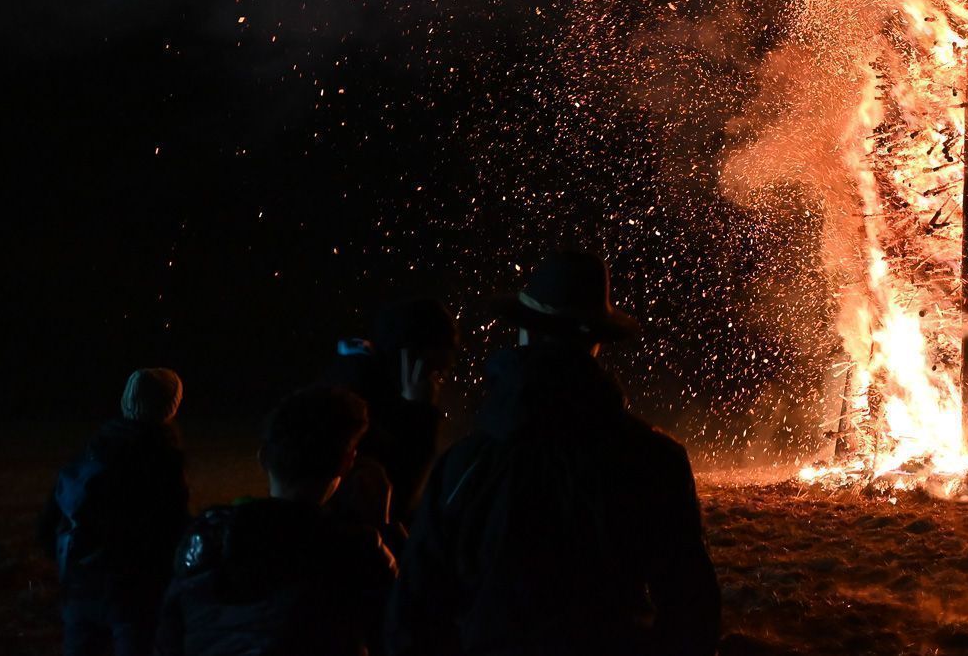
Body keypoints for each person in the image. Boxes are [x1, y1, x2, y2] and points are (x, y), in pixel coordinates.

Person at [389, 248, 719, 656]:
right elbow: (692, 613)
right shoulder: (654, 461)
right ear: (596, 344)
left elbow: (413, 619)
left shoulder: (465, 468)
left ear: (524, 333)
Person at [157, 386, 396, 656]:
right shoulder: (356, 552)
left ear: (262, 458)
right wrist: (385, 530)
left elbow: (168, 636)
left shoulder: (206, 537)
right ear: (346, 462)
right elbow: (404, 629)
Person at [40, 369, 191, 656]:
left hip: (81, 586)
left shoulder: (95, 449)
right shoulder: (162, 460)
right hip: (133, 593)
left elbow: (50, 521)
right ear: (170, 407)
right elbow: (172, 531)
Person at [322, 297, 460, 533]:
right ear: (412, 359)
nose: (437, 385)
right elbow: (396, 505)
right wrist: (421, 414)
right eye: (437, 373)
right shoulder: (357, 406)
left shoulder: (372, 382)